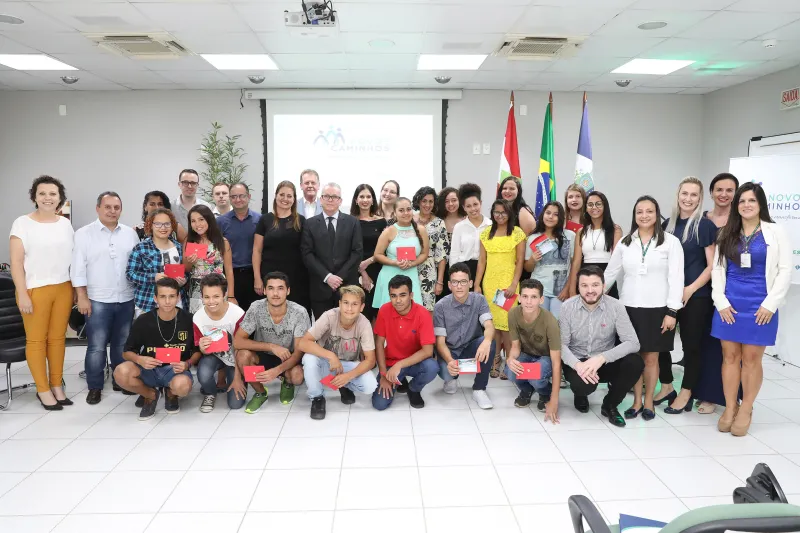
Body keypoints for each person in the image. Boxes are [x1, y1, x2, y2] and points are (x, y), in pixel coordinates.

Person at [712, 182, 791, 436]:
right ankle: (729, 407)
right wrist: (721, 302)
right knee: (730, 357)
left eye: (752, 201)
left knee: (752, 359)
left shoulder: (775, 232)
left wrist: (770, 304)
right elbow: (718, 269)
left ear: (761, 205)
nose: (746, 205)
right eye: (742, 201)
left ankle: (746, 408)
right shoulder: (727, 232)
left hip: (761, 305)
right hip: (730, 304)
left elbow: (785, 271)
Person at [604, 196, 684, 421]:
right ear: (634, 215)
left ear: (657, 214)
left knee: (651, 359)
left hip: (658, 309)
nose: (644, 215)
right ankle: (637, 400)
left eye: (649, 211)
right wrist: (592, 293)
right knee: (633, 359)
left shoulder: (670, 242)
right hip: (628, 308)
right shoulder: (626, 242)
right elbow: (610, 273)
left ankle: (649, 401)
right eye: (640, 211)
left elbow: (677, 278)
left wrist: (672, 311)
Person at [9, 175, 75, 410]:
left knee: (57, 340)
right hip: (34, 289)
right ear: (34, 197)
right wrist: (22, 293)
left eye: (53, 194)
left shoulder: (65, 224)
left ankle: (57, 385)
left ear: (60, 198)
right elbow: (16, 264)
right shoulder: (22, 223)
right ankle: (43, 389)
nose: (48, 198)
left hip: (63, 288)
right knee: (36, 341)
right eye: (42, 193)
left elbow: (70, 260)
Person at [72, 191, 139, 405]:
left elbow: (136, 266)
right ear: (98, 208)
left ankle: (120, 380)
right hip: (97, 299)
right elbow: (77, 268)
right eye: (107, 207)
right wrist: (81, 296)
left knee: (121, 344)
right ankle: (95, 386)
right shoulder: (84, 234)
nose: (112, 211)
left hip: (126, 297)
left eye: (116, 207)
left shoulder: (130, 234)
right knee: (97, 346)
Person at [657, 177, 717, 414]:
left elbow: (712, 266)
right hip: (669, 295)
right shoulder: (667, 225)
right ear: (678, 195)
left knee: (691, 347)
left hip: (697, 296)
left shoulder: (704, 226)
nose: (688, 199)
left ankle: (686, 392)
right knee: (661, 342)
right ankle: (667, 385)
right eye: (685, 193)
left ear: (700, 198)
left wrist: (690, 289)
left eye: (694, 195)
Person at [560, 266, 643, 428]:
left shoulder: (616, 306)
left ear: (604, 286)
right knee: (583, 386)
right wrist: (578, 365)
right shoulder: (567, 307)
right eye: (584, 285)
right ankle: (580, 394)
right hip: (578, 362)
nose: (590, 290)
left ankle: (610, 405)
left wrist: (602, 358)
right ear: (578, 287)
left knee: (635, 362)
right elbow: (561, 345)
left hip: (604, 361)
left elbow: (633, 342)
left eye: (595, 285)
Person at [114, 278, 198, 420]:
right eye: (162, 297)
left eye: (171, 296)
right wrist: (140, 359)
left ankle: (171, 393)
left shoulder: (189, 319)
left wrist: (187, 364)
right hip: (149, 369)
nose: (167, 301)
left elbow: (197, 351)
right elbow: (126, 352)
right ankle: (150, 394)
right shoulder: (144, 320)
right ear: (155, 298)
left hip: (175, 370)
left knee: (182, 386)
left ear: (178, 298)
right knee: (121, 373)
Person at [694, 172, 740, 414]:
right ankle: (705, 394)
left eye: (729, 190)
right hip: (704, 290)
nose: (723, 194)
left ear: (735, 194)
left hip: (732, 291)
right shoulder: (701, 219)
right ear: (711, 192)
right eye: (719, 189)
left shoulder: (741, 220)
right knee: (705, 343)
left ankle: (728, 397)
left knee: (729, 348)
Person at [233, 271, 309, 413]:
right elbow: (237, 341)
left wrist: (277, 371)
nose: (275, 293)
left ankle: (287, 382)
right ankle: (261, 392)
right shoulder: (256, 307)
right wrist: (270, 346)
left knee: (297, 377)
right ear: (265, 291)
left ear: (288, 291)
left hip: (288, 356)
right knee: (243, 355)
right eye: (271, 288)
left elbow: (299, 352)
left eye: (280, 288)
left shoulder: (299, 312)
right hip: (264, 354)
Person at [299, 286, 378, 420]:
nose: (349, 308)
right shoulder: (329, 316)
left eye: (355, 304)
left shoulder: (364, 324)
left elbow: (370, 360)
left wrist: (348, 376)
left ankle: (344, 384)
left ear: (362, 307)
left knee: (371, 385)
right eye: (346, 303)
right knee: (309, 358)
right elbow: (303, 343)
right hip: (327, 362)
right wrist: (331, 355)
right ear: (340, 304)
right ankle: (317, 398)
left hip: (349, 364)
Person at [475, 199, 526, 379]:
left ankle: (509, 361)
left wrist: (513, 284)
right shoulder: (486, 234)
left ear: (510, 213)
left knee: (508, 326)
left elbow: (520, 261)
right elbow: (482, 261)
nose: (500, 216)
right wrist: (477, 284)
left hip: (508, 287)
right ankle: (495, 359)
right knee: (493, 325)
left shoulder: (517, 233)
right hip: (490, 286)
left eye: (503, 212)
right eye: (496, 212)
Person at [434, 263, 496, 409]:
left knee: (490, 343)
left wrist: (487, 341)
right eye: (455, 282)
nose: (459, 286)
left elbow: (488, 324)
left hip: (470, 347)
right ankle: (452, 378)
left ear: (470, 283)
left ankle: (479, 389)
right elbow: (440, 342)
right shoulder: (440, 306)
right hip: (450, 351)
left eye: (463, 282)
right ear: (449, 285)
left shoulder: (479, 299)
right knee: (446, 373)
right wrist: (450, 361)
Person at [372, 275, 438, 410]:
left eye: (402, 295)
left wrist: (399, 365)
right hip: (391, 362)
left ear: (411, 295)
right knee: (379, 404)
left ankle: (413, 389)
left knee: (432, 367)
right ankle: (400, 380)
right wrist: (384, 374)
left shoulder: (423, 314)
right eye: (393, 296)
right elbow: (379, 344)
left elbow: (428, 351)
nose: (398, 300)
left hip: (415, 362)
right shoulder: (384, 310)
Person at [301, 182, 363, 319]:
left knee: (348, 332)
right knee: (322, 334)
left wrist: (338, 278)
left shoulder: (352, 222)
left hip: (347, 288)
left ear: (340, 201)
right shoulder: (309, 223)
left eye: (334, 197)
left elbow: (357, 252)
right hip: (320, 288)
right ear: (321, 199)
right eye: (326, 196)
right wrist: (328, 277)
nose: (330, 200)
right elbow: (307, 254)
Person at [505, 279, 561, 420]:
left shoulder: (550, 321)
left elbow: (556, 362)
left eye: (534, 297)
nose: (529, 302)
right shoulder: (512, 314)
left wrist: (554, 400)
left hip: (546, 357)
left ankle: (545, 392)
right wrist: (510, 359)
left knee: (535, 375)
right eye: (525, 296)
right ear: (519, 298)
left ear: (541, 300)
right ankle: (527, 389)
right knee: (510, 371)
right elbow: (516, 346)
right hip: (526, 353)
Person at [253, 181, 311, 317]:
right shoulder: (265, 220)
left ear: (294, 199)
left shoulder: (301, 221)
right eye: (282, 195)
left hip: (297, 279)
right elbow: (257, 250)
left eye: (289, 196)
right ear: (276, 196)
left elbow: (307, 251)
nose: (285, 199)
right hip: (270, 277)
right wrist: (257, 278)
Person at [193, 274, 246, 412]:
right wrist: (202, 348)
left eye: (216, 296)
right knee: (203, 373)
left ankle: (232, 377)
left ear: (225, 294)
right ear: (202, 297)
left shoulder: (238, 314)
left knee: (235, 404)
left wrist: (237, 378)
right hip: (213, 356)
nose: (211, 301)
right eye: (206, 297)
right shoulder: (198, 317)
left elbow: (242, 348)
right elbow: (201, 350)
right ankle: (210, 393)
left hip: (235, 357)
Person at [126, 208, 189, 316]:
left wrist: (183, 280)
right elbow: (130, 274)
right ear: (151, 225)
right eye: (158, 224)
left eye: (167, 224)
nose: (163, 228)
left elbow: (186, 272)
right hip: (148, 303)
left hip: (176, 304)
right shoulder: (141, 248)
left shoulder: (179, 248)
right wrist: (153, 277)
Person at [373, 197, 429, 310]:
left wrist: (412, 264)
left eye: (408, 209)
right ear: (395, 213)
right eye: (401, 210)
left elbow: (424, 253)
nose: (406, 213)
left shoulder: (421, 230)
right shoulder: (388, 231)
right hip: (390, 275)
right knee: (389, 313)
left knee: (412, 312)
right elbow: (377, 255)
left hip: (411, 274)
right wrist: (395, 263)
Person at [524, 201, 575, 318]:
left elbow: (574, 266)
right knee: (540, 324)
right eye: (548, 213)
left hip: (560, 290)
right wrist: (532, 259)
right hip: (538, 288)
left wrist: (568, 288)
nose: (550, 217)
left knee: (557, 324)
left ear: (561, 217)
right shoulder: (533, 238)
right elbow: (527, 268)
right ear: (543, 215)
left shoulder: (570, 236)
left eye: (555, 214)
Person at [568, 191, 622, 298]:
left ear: (604, 206)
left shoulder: (615, 230)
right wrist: (572, 289)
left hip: (607, 279)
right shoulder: (581, 232)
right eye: (590, 204)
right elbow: (576, 262)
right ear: (586, 208)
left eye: (598, 204)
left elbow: (616, 261)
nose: (594, 207)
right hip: (585, 278)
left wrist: (604, 286)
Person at [217, 182, 261, 312]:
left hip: (254, 275)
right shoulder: (220, 222)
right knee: (233, 314)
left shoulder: (260, 220)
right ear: (230, 198)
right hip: (230, 276)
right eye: (234, 196)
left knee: (255, 315)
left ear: (249, 196)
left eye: (241, 196)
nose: (238, 200)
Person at [184, 205, 234, 313]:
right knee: (198, 321)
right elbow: (186, 269)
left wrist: (231, 296)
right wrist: (190, 261)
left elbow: (229, 271)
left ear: (209, 219)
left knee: (219, 320)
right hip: (197, 289)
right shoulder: (189, 241)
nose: (197, 224)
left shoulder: (222, 242)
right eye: (193, 221)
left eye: (201, 219)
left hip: (218, 287)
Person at [350, 184, 386, 322]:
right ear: (356, 200)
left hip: (378, 270)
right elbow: (349, 250)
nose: (365, 200)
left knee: (378, 313)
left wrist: (370, 261)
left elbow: (385, 249)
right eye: (361, 196)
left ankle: (376, 344)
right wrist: (363, 273)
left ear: (373, 200)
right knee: (361, 312)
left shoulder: (381, 222)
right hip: (356, 272)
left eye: (368, 196)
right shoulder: (349, 222)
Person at [413, 187, 448, 312]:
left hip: (429, 271)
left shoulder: (439, 223)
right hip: (408, 268)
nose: (427, 205)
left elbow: (442, 254)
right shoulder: (409, 219)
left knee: (428, 310)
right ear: (418, 201)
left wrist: (439, 281)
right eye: (424, 201)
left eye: (431, 201)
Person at [449, 183, 491, 283]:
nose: (473, 209)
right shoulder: (459, 227)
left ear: (480, 203)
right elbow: (454, 253)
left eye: (475, 204)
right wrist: (454, 277)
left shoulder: (490, 225)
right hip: (464, 271)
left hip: (486, 270)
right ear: (464, 207)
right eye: (468, 206)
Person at [435, 186, 465, 300]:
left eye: (454, 200)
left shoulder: (467, 220)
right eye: (447, 201)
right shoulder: (438, 221)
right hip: (441, 268)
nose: (451, 204)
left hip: (461, 267)